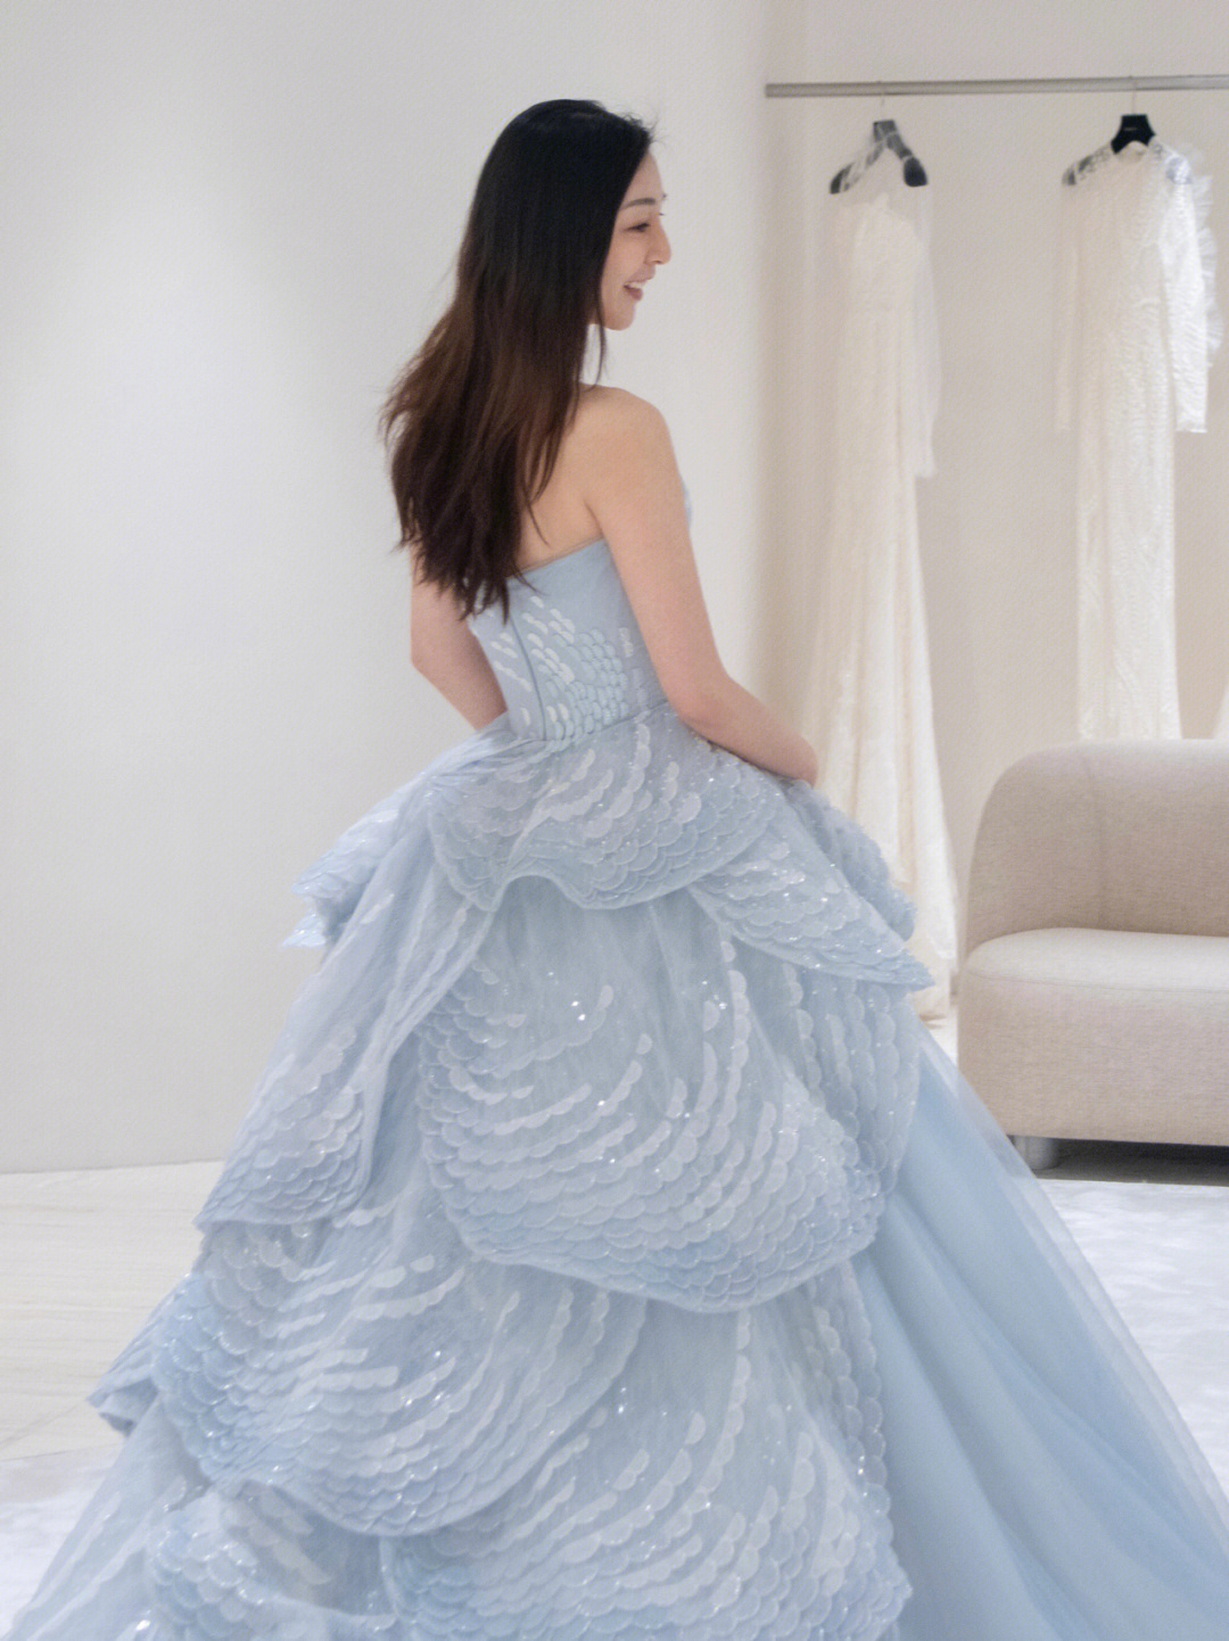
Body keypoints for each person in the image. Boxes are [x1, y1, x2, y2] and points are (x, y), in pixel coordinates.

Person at [7, 97, 1229, 1641]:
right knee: (747, 1180)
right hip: (665, 812)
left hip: (508, 810)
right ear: (563, 233)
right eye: (640, 220)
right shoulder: (615, 430)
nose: (663, 251)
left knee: (445, 1204)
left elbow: (436, 647)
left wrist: (540, 759)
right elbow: (695, 688)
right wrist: (800, 762)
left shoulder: (435, 420)